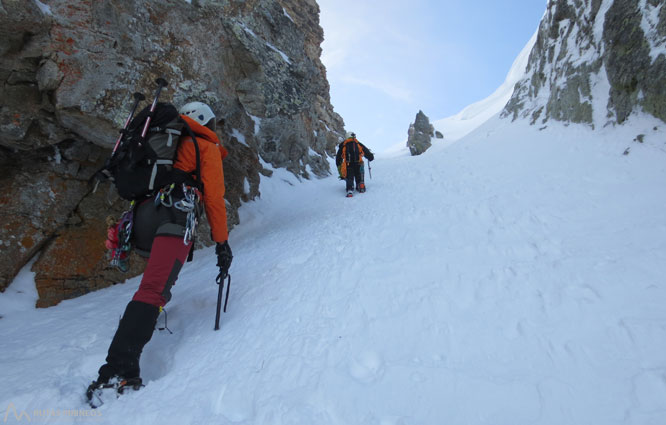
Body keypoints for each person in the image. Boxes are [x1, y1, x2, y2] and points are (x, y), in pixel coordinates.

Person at [87, 101, 233, 399]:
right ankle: (117, 370)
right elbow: (215, 198)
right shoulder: (203, 144)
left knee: (155, 285)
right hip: (174, 216)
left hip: (142, 217)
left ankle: (141, 328)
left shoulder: (160, 141)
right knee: (153, 289)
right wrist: (222, 242)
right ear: (205, 121)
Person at [335, 132, 374, 197]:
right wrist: (370, 157)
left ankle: (350, 190)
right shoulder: (357, 143)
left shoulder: (344, 145)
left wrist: (339, 166)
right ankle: (360, 185)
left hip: (348, 164)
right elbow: (366, 151)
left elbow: (338, 157)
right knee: (359, 175)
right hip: (359, 163)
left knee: (349, 177)